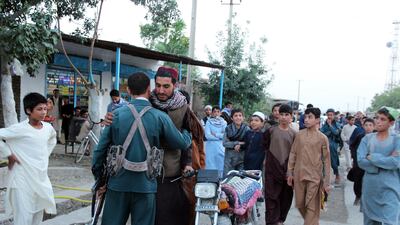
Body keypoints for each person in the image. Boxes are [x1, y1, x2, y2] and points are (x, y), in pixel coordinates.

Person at [104, 66, 205, 225]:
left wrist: (187, 164)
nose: (161, 90)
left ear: (175, 85)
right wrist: (111, 118)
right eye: (158, 85)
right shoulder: (147, 103)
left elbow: (188, 139)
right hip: (144, 174)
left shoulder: (183, 107)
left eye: (166, 86)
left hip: (170, 173)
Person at [0, 93, 57, 225]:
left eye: (45, 109)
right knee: (23, 218)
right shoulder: (19, 129)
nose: (43, 112)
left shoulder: (48, 128)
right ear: (28, 111)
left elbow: (52, 140)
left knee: (37, 217)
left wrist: (44, 155)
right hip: (21, 180)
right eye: (39, 109)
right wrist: (8, 154)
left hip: (40, 179)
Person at [287, 107, 331, 225]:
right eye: (305, 117)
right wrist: (289, 172)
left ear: (317, 120)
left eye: (310, 117)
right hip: (299, 175)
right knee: (300, 205)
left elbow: (326, 160)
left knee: (311, 206)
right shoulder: (299, 135)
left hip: (314, 178)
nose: (306, 120)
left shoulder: (322, 138)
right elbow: (293, 153)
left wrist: (327, 181)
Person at [357, 108, 400, 225]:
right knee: (370, 221)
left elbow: (395, 162)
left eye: (383, 119)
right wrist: (385, 160)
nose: (378, 121)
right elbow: (361, 161)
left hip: (391, 190)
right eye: (376, 118)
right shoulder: (367, 139)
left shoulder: (397, 140)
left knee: (391, 221)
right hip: (370, 189)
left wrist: (373, 157)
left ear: (391, 123)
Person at [264, 104, 297, 225]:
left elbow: (296, 154)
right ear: (278, 116)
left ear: (291, 116)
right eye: (281, 114)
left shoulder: (294, 134)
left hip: (287, 171)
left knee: (285, 198)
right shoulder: (271, 131)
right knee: (271, 198)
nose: (283, 117)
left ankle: (280, 220)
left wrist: (291, 172)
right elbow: (265, 146)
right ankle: (271, 222)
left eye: (286, 115)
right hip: (271, 171)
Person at [349, 118, 375, 206]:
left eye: (370, 125)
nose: (368, 127)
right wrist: (354, 158)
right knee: (358, 180)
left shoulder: (376, 137)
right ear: (363, 126)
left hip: (371, 163)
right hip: (359, 162)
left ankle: (367, 199)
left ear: (374, 127)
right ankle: (358, 196)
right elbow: (352, 146)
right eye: (366, 125)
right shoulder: (360, 136)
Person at [223, 108, 250, 176]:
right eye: (236, 116)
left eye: (240, 115)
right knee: (228, 179)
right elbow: (225, 143)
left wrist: (240, 145)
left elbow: (248, 143)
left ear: (243, 117)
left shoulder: (247, 129)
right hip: (229, 159)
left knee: (240, 179)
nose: (238, 117)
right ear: (232, 118)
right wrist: (237, 143)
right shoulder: (228, 128)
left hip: (242, 158)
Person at [320, 108, 341, 184]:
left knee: (333, 162)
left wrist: (330, 126)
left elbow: (336, 133)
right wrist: (329, 132)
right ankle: (323, 177)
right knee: (322, 161)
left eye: (331, 115)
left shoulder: (337, 124)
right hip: (324, 145)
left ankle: (337, 174)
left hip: (333, 145)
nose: (329, 116)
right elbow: (322, 134)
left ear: (334, 115)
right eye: (328, 115)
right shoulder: (324, 125)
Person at [205, 106, 227, 176]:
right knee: (210, 165)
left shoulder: (224, 122)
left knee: (220, 165)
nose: (216, 113)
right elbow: (207, 136)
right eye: (214, 111)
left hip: (221, 147)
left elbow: (225, 136)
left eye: (218, 111)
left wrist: (216, 134)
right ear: (212, 113)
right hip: (210, 148)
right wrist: (220, 137)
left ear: (220, 113)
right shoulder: (208, 122)